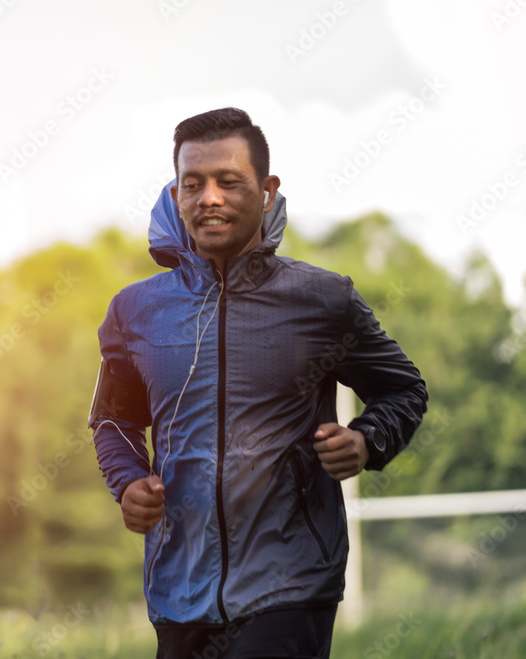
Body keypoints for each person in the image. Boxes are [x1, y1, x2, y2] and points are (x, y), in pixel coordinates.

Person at [88, 107, 428, 658]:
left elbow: (403, 389)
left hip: (292, 583)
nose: (210, 198)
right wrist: (127, 481)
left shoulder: (322, 300)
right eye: (193, 184)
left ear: (267, 189)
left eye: (229, 182)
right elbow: (113, 419)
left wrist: (367, 439)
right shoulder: (135, 312)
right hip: (179, 587)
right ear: (176, 194)